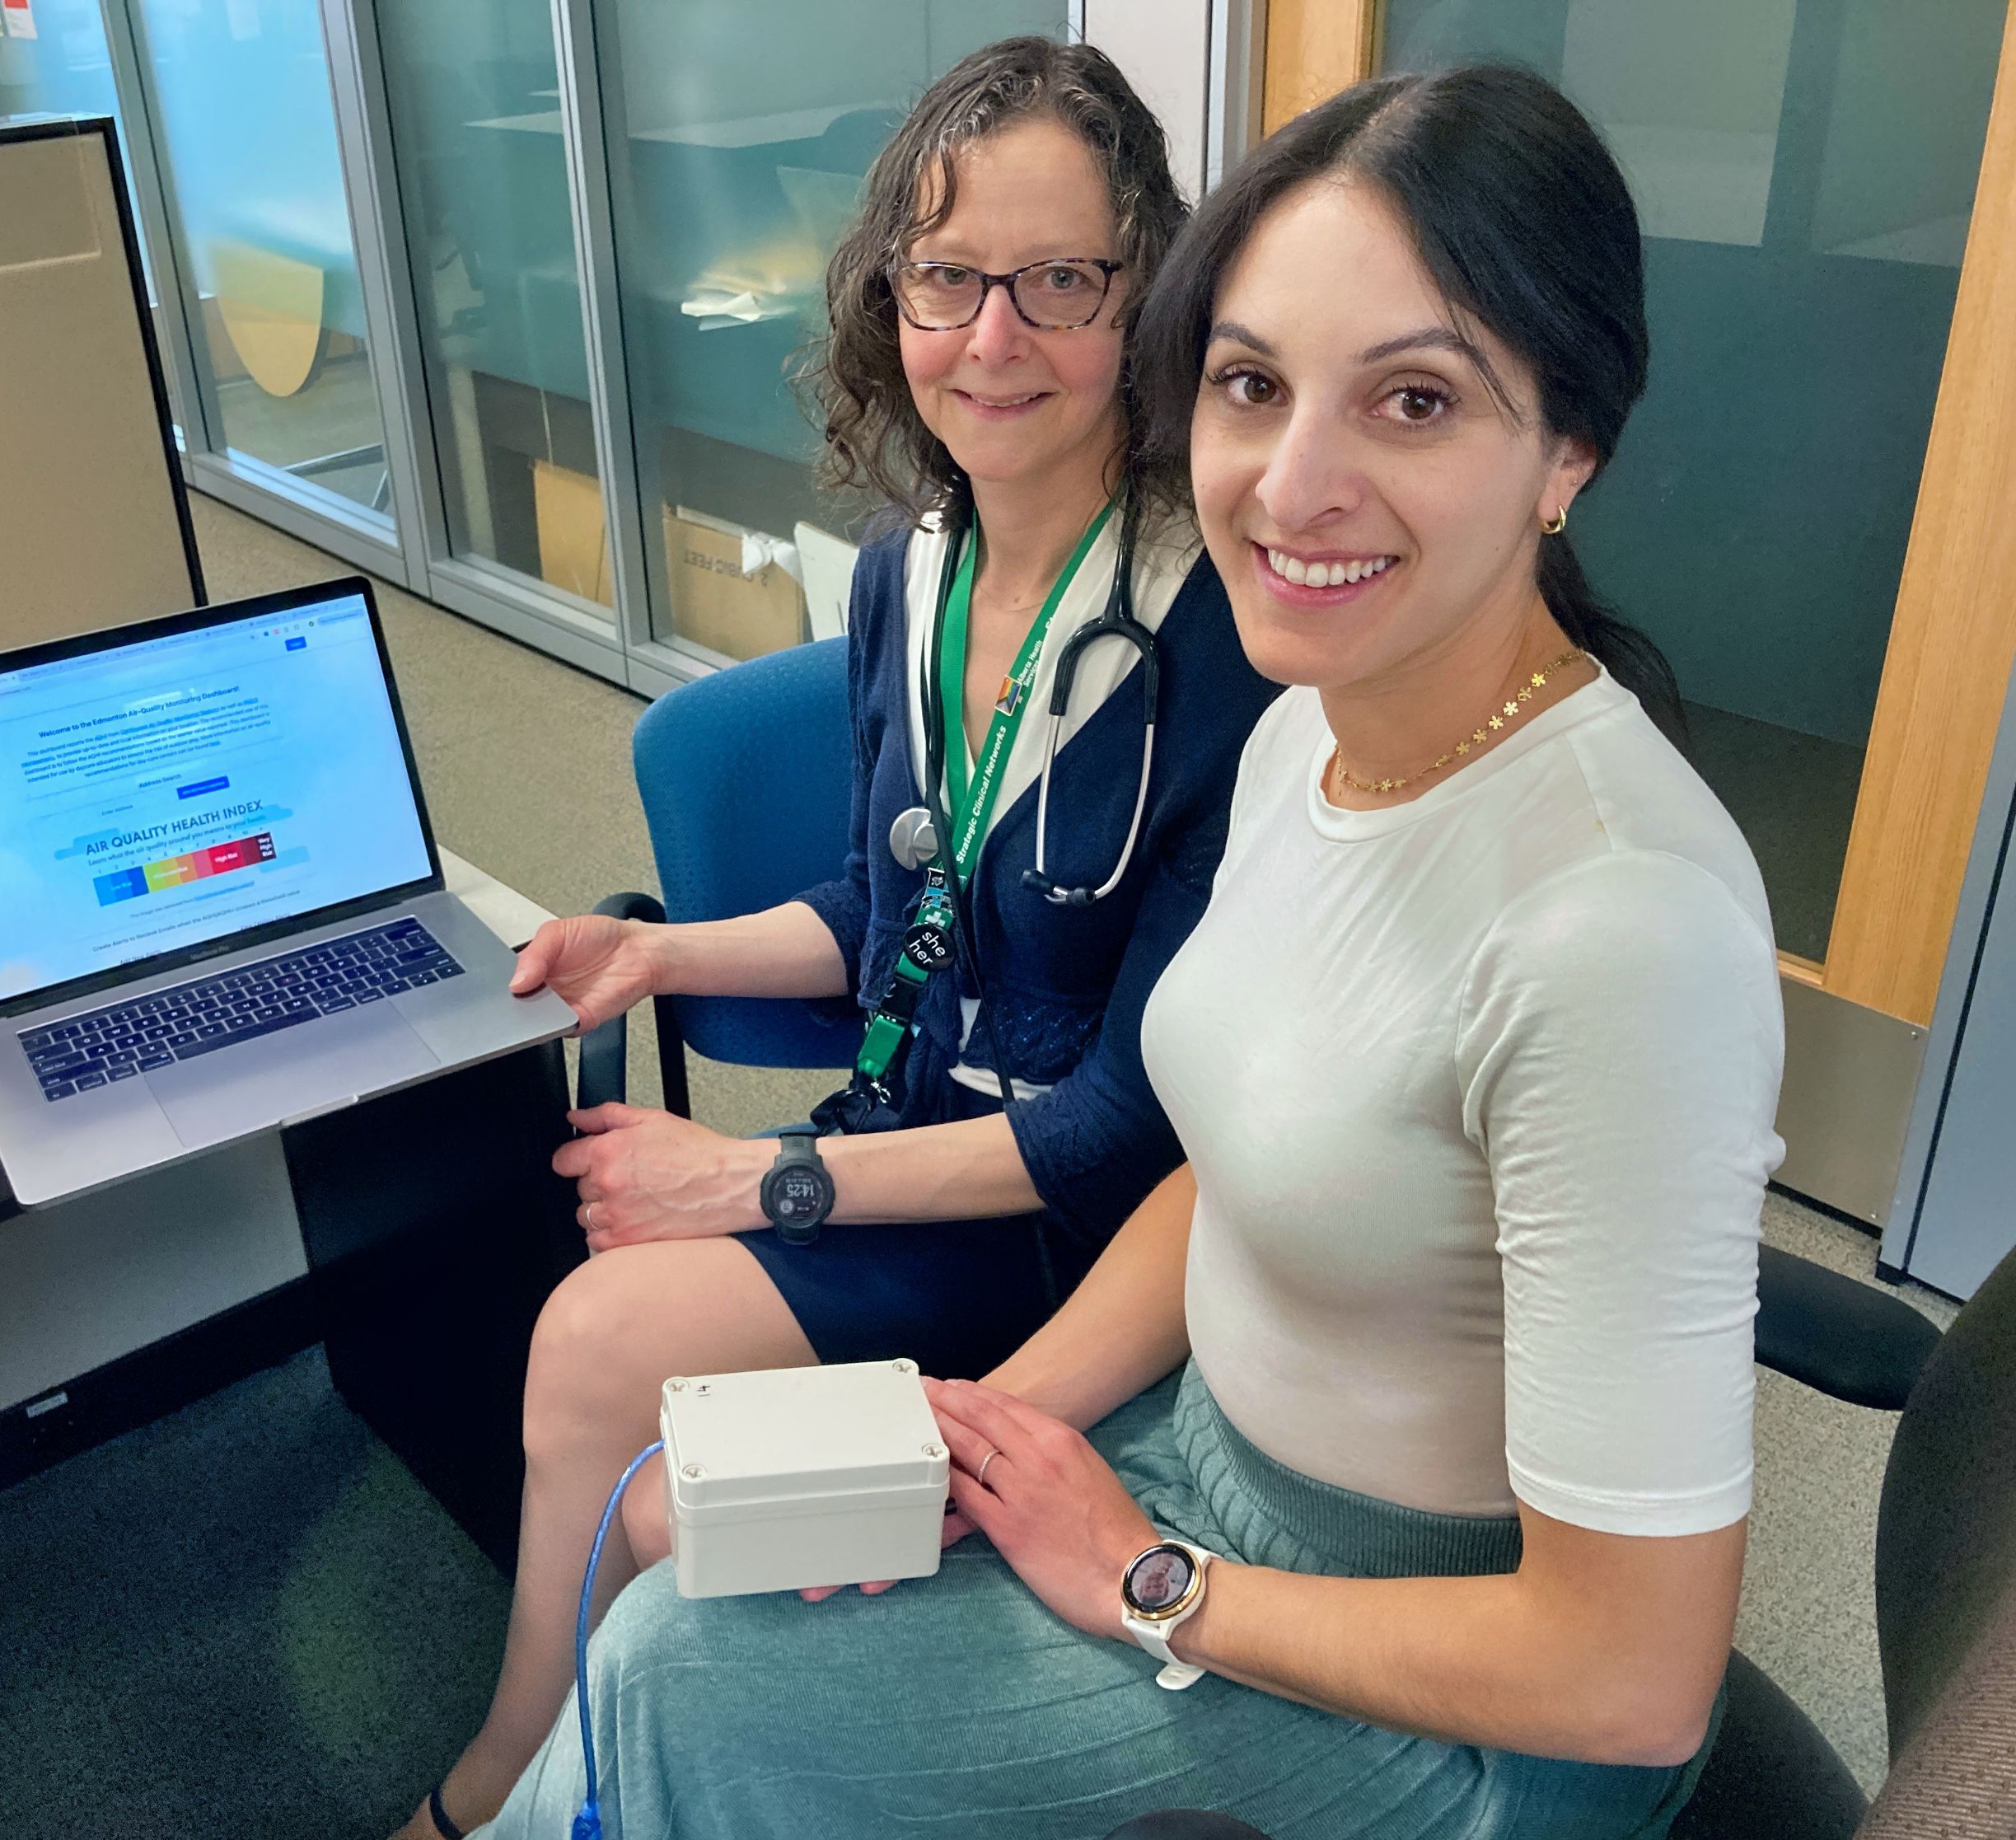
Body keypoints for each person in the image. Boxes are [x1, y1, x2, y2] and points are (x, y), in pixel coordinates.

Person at [474, 63, 1784, 1840]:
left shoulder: (1622, 929)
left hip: (1431, 1700)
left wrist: (1151, 1581)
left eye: (1413, 398)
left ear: (1570, 448)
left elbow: (1629, 1684)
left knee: (669, 1676)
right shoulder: (1315, 739)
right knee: (681, 1536)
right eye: (1254, 385)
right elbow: (1223, 1159)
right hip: (1178, 1455)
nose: (1293, 485)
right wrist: (982, 1432)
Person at [393, 38, 1279, 1840]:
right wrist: (662, 960)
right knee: (605, 1356)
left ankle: (520, 1777)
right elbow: (899, 914)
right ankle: (591, 1751)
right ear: (894, 299)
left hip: (1077, 1238)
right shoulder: (913, 564)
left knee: (593, 1339)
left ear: (1149, 297)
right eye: (947, 280)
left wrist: (759, 1180)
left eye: (1062, 282)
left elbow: (1130, 1125)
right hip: (902, 1148)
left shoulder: (1223, 642)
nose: (995, 338)